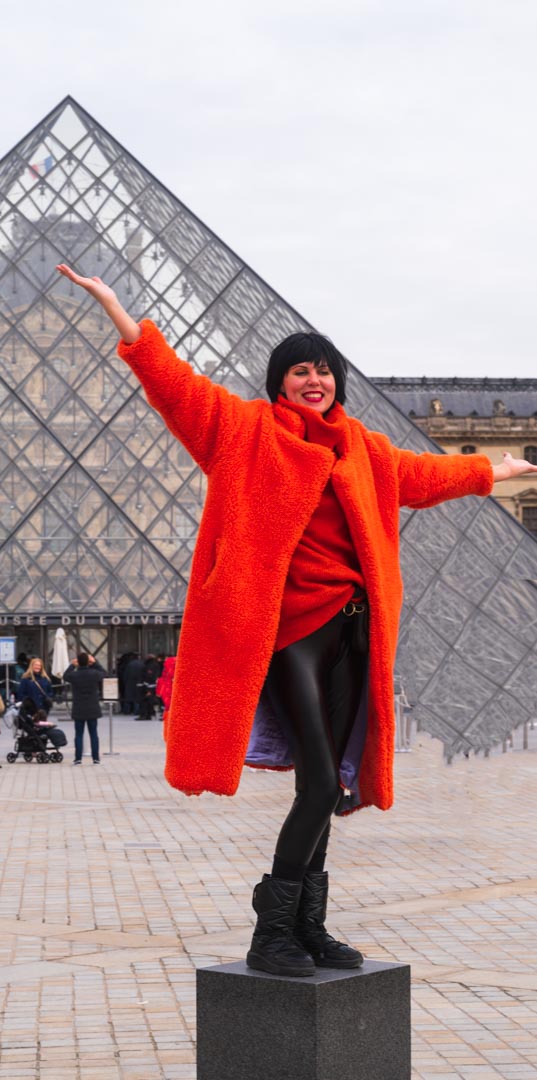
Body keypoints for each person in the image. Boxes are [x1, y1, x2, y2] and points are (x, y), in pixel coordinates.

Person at [56, 262, 537, 978]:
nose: (315, 380)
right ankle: (272, 930)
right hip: (289, 636)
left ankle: (309, 927)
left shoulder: (364, 449)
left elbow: (421, 475)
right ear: (279, 382)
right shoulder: (242, 431)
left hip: (351, 633)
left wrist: (492, 471)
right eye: (300, 370)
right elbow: (175, 386)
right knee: (317, 783)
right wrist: (120, 314)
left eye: (324, 370)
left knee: (328, 786)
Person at [63, 652, 106, 764]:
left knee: (78, 734)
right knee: (94, 734)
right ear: (88, 662)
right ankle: (95, 758)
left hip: (79, 707)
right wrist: (95, 662)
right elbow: (103, 673)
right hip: (92, 707)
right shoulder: (94, 673)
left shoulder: (74, 675)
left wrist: (72, 665)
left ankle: (78, 758)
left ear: (78, 662)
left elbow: (65, 676)